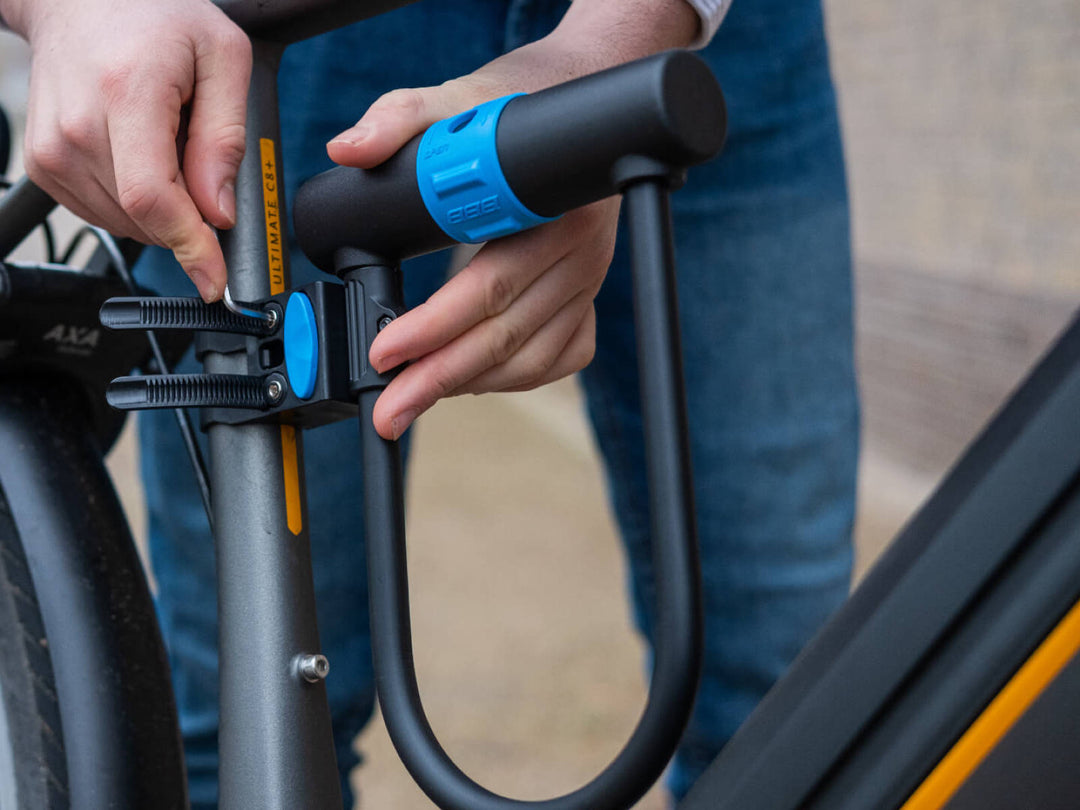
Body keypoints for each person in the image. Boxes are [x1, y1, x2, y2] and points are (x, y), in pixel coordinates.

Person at [0, 0, 859, 806]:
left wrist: (614, 47)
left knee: (791, 689)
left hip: (700, 39)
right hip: (270, 41)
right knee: (248, 712)